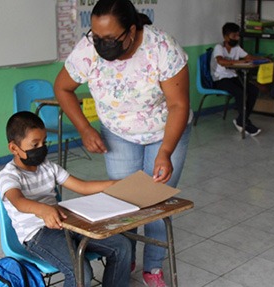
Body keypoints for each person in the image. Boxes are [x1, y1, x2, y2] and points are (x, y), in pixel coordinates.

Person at [54, 0, 192, 286]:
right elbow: (63, 87)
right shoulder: (86, 51)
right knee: (123, 201)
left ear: (131, 30)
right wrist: (84, 127)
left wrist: (166, 151)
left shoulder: (161, 48)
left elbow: (178, 104)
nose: (101, 45)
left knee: (155, 203)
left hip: (166, 131)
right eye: (96, 37)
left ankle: (152, 267)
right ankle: (124, 256)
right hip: (118, 133)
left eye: (110, 39)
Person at [0, 111, 131, 287]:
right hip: (37, 234)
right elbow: (18, 202)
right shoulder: (9, 175)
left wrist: (116, 184)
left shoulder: (48, 167)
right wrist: (43, 209)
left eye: (44, 142)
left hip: (65, 222)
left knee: (122, 246)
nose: (42, 148)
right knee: (81, 272)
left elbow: (82, 187)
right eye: (35, 144)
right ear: (14, 148)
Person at [211, 22, 270, 136]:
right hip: (220, 79)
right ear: (225, 36)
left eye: (238, 36)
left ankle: (242, 120)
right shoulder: (219, 47)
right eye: (233, 36)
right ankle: (244, 122)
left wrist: (262, 59)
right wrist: (240, 62)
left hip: (233, 77)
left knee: (253, 90)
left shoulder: (237, 48)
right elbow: (221, 61)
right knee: (240, 93)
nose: (236, 38)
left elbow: (248, 57)